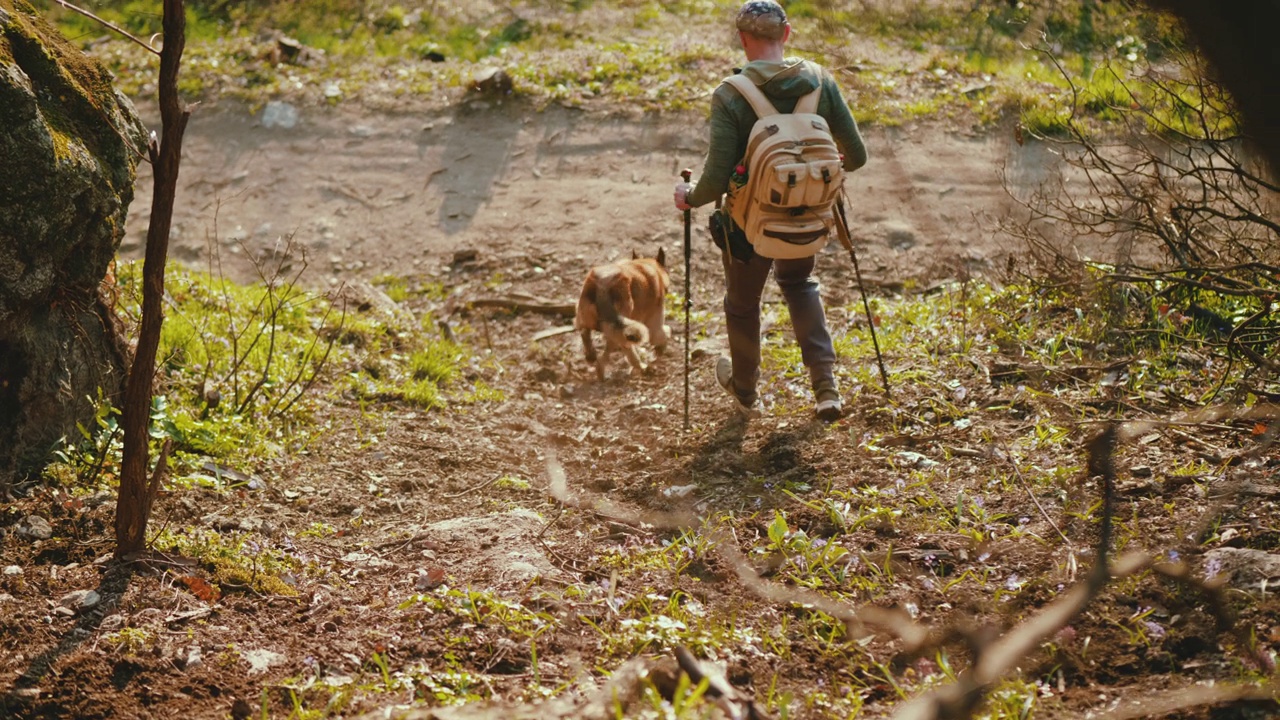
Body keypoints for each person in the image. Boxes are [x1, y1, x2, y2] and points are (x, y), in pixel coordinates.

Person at [674, 0, 868, 422]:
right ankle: (825, 387)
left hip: (748, 224)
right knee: (800, 283)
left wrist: (687, 196)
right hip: (807, 215)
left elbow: (715, 178)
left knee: (743, 304)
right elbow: (856, 156)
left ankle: (745, 390)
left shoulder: (732, 93)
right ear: (788, 33)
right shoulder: (821, 82)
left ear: (743, 41)